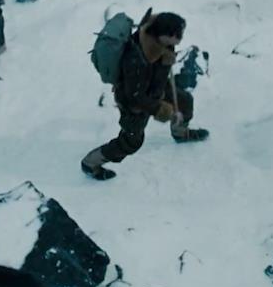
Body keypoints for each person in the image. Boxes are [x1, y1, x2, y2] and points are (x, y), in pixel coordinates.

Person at [81, 11, 209, 180]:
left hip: (156, 87)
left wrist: (166, 60)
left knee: (184, 101)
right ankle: (91, 163)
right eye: (175, 35)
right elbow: (135, 97)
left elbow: (159, 66)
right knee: (131, 143)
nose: (179, 39)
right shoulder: (136, 60)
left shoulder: (159, 40)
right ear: (164, 35)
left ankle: (180, 133)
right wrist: (165, 111)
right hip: (134, 103)